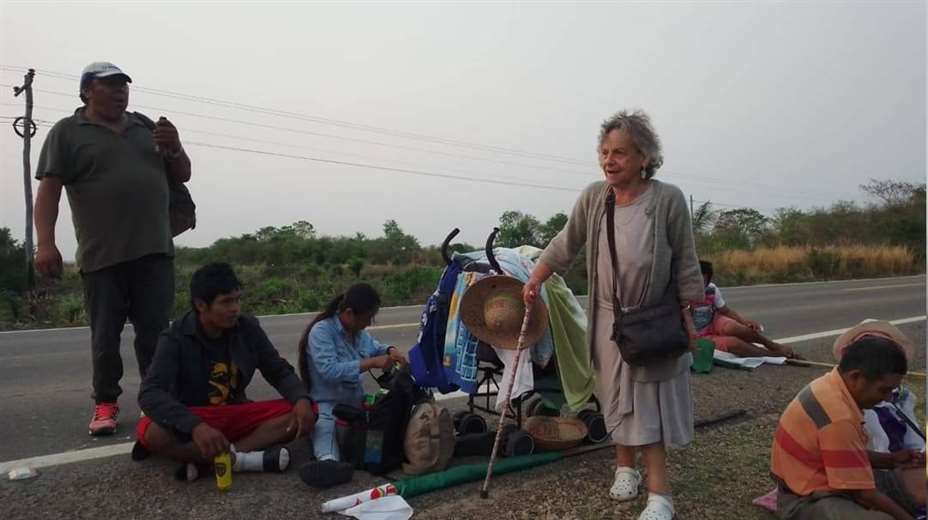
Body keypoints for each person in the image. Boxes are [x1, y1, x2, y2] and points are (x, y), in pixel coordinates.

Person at [523, 110, 703, 520]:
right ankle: (625, 467)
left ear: (644, 157)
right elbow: (564, 243)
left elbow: (686, 260)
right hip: (607, 320)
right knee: (613, 399)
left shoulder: (666, 199)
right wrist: (535, 278)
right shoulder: (594, 197)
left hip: (652, 319)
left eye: (620, 152)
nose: (609, 160)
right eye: (604, 152)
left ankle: (661, 496)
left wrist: (691, 313)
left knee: (648, 406)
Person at [33, 62, 192, 436]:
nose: (121, 92)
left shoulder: (144, 126)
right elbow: (49, 190)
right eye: (110, 86)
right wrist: (45, 243)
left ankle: (155, 402)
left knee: (156, 335)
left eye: (124, 86)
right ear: (87, 90)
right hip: (102, 256)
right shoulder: (68, 133)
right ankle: (105, 402)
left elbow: (183, 174)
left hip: (154, 250)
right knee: (105, 338)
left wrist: (174, 146)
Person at [136, 263, 315, 481]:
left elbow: (277, 370)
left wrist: (301, 398)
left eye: (238, 299)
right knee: (152, 431)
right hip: (192, 416)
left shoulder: (247, 327)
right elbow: (150, 393)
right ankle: (241, 459)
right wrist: (196, 426)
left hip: (234, 412)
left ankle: (219, 460)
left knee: (304, 409)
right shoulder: (175, 338)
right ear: (201, 305)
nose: (236, 309)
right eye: (226, 302)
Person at [771, 321, 924, 520]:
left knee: (922, 478)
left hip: (837, 481)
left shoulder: (834, 384)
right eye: (883, 390)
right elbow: (865, 495)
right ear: (856, 377)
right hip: (807, 498)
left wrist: (892, 460)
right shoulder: (838, 416)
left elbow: (846, 454)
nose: (887, 398)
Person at [296, 283, 407, 487]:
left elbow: (375, 348)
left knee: (379, 423)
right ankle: (329, 465)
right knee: (326, 427)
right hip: (329, 406)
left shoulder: (358, 332)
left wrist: (391, 350)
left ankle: (373, 461)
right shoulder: (321, 332)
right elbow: (329, 371)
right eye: (366, 319)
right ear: (349, 313)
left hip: (355, 406)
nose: (367, 324)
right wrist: (371, 363)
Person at [693, 260, 801, 359]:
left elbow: (725, 311)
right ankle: (775, 355)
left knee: (736, 328)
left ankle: (773, 345)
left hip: (712, 322)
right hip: (696, 334)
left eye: (704, 283)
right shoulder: (680, 294)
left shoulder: (711, 289)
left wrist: (744, 322)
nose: (700, 287)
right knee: (734, 343)